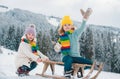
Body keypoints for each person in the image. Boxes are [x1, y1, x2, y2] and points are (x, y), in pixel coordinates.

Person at [54, 8, 93, 78]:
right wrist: (57, 47)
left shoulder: (75, 33)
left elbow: (82, 28)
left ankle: (78, 70)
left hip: (76, 56)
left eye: (68, 24)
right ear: (62, 27)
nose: (67, 26)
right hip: (66, 56)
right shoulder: (62, 37)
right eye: (65, 25)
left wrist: (84, 20)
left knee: (90, 63)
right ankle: (67, 72)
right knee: (69, 59)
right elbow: (57, 47)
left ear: (71, 25)